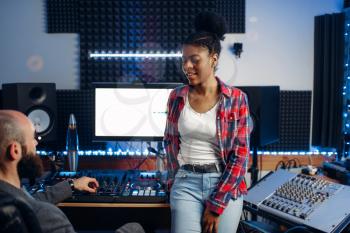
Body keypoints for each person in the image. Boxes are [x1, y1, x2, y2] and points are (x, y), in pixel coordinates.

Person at [164, 12, 252, 233]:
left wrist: (216, 205)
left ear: (213, 59)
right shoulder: (176, 97)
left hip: (224, 182)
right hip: (186, 183)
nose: (187, 66)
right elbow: (169, 142)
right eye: (184, 59)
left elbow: (241, 156)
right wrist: (172, 181)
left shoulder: (237, 99)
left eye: (195, 59)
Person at [0, 110, 145, 233]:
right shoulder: (47, 216)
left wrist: (71, 185)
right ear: (15, 150)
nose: (37, 143)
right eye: (33, 138)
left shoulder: (10, 201)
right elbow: (33, 206)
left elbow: (29, 201)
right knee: (135, 228)